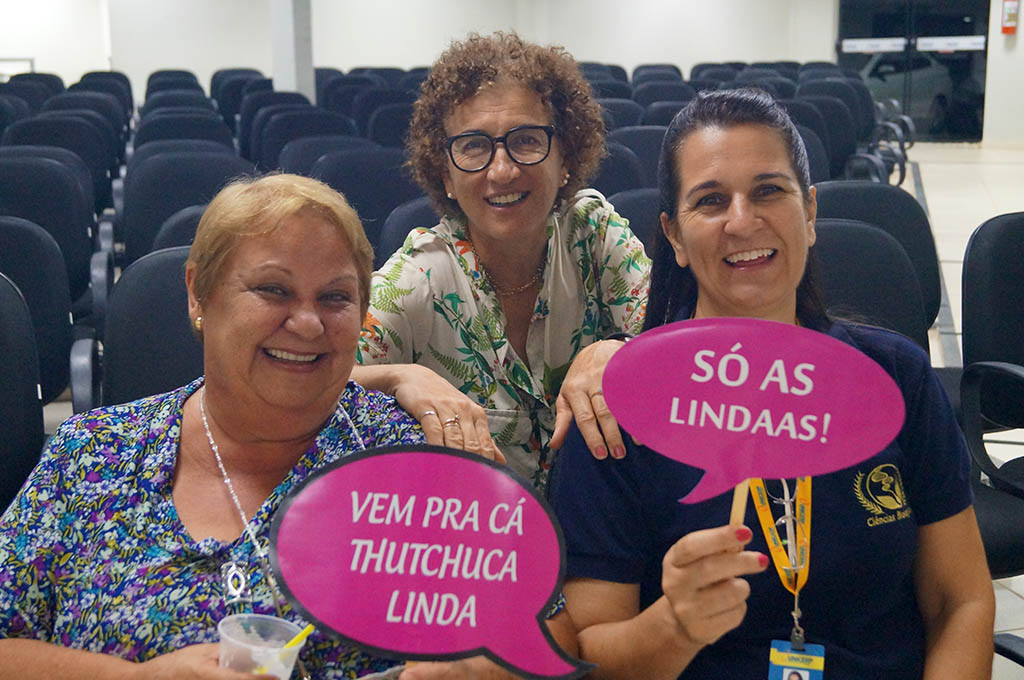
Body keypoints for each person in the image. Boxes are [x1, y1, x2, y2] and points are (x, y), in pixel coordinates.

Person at [547, 89, 995, 678]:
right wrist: (673, 627)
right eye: (711, 200)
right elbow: (586, 653)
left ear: (808, 214)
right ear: (674, 237)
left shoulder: (895, 378)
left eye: (768, 191)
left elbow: (960, 601)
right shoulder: (616, 412)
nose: (742, 220)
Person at [0, 175, 426, 678]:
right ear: (198, 294)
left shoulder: (411, 462)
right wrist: (136, 678)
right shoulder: (90, 455)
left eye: (335, 297)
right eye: (273, 289)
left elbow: (501, 638)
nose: (309, 323)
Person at [354, 32, 650, 489]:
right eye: (474, 146)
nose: (502, 170)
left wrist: (620, 346)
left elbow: (679, 336)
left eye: (526, 140)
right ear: (446, 175)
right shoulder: (418, 280)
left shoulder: (593, 233)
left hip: (606, 521)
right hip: (476, 529)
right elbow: (318, 384)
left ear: (565, 158)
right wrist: (398, 377)